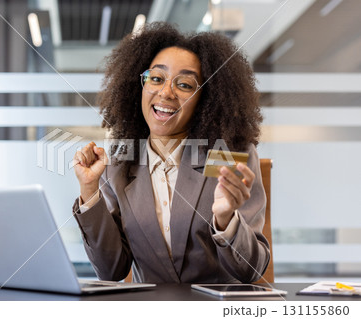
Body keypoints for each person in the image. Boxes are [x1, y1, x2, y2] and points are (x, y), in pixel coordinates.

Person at [72, 22, 270, 284]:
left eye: (185, 85)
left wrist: (225, 220)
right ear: (139, 87)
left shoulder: (226, 156)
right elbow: (111, 271)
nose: (166, 92)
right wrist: (89, 191)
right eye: (156, 78)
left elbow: (251, 271)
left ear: (205, 99)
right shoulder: (120, 165)